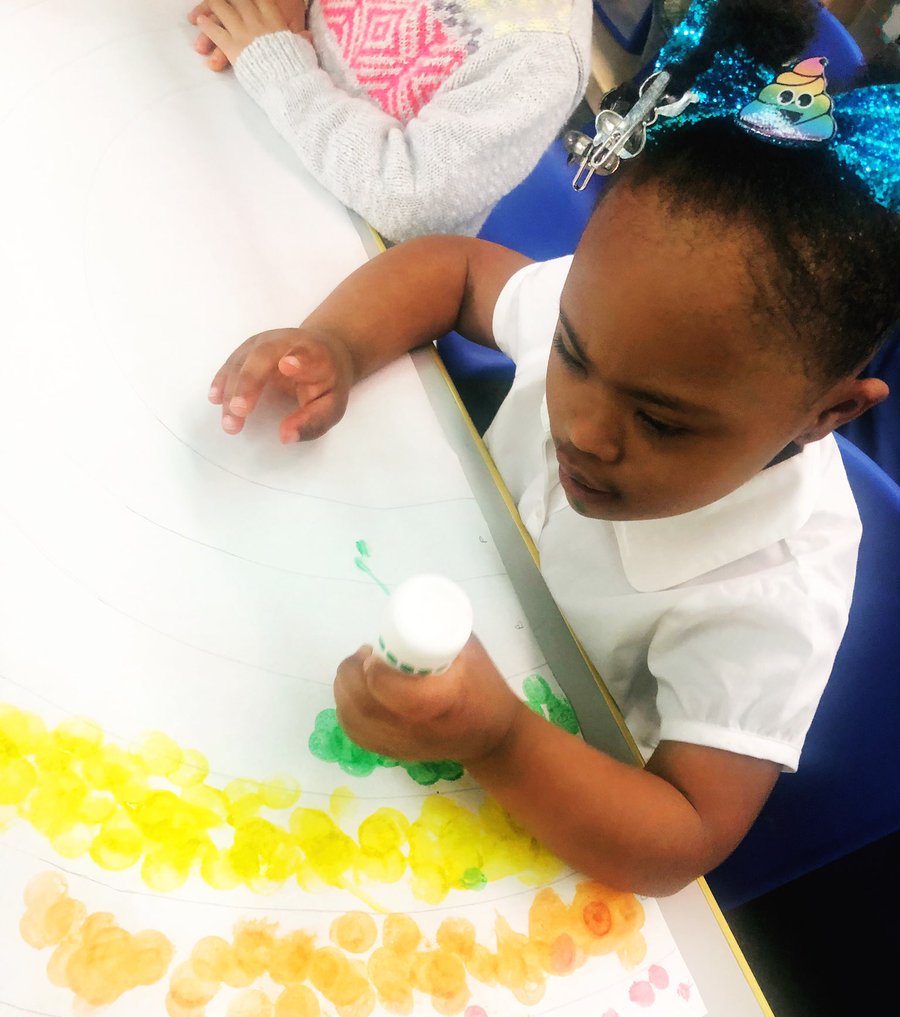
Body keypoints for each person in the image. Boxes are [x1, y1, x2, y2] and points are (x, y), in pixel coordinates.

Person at [204, 0, 900, 896]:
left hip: (528, 797)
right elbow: (454, 270)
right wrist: (337, 344)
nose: (584, 428)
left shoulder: (774, 594)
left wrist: (496, 738)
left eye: (661, 422)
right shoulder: (623, 323)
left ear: (826, 417)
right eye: (570, 353)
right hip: (422, 569)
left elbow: (682, 836)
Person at [186, 1, 592, 242]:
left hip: (340, 239)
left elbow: (409, 200)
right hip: (249, 141)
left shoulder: (543, 53)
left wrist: (281, 69)